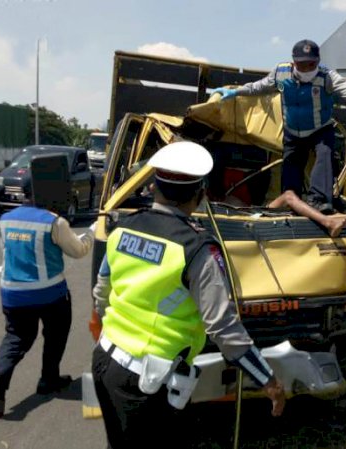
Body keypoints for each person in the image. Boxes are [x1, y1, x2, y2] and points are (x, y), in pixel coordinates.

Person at [91, 141, 286, 449]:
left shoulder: (122, 228)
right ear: (200, 194)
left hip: (104, 361)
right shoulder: (197, 249)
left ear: (154, 186)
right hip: (144, 383)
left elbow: (102, 292)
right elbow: (223, 328)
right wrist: (268, 381)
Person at [212, 39, 346, 215]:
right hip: (293, 131)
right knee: (291, 165)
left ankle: (319, 201)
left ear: (318, 62)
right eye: (301, 65)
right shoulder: (281, 73)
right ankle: (291, 202)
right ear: (293, 63)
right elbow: (260, 87)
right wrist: (236, 91)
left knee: (324, 155)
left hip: (320, 128)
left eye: (311, 64)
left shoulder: (325, 76)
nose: (307, 69)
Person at [0, 180, 95, 417]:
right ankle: (48, 379)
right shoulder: (54, 222)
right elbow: (78, 250)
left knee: (17, 336)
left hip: (12, 293)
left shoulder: (6, 219)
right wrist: (93, 231)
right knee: (56, 333)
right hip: (49, 293)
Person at [267, 189, 346, 239]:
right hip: (253, 212)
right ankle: (330, 223)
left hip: (259, 209)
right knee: (288, 196)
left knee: (314, 210)